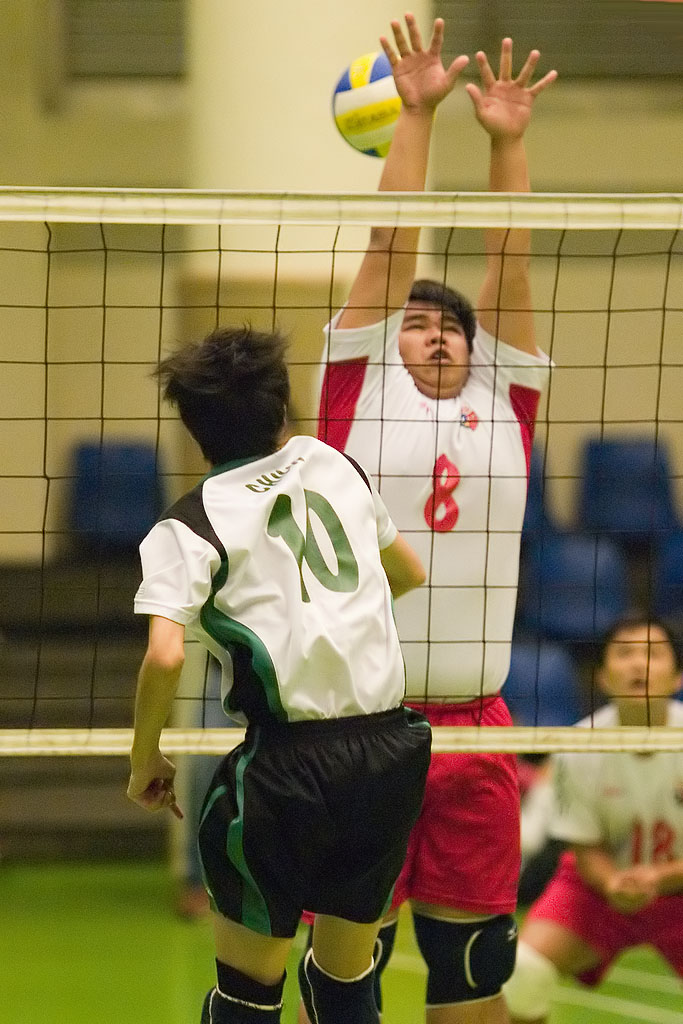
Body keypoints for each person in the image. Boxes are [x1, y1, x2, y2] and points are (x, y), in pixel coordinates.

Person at [314, 12, 557, 1024]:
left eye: (450, 322)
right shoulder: (356, 391)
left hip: (474, 730)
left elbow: (512, 262)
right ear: (386, 340)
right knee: (343, 980)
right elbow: (390, 243)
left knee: (470, 983)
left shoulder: (504, 399)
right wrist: (414, 117)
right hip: (360, 727)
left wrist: (506, 143)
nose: (438, 333)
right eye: (415, 323)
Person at [126, 324, 433, 1024]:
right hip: (389, 752)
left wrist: (146, 759)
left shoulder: (186, 525)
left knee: (248, 995)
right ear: (282, 410)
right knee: (344, 983)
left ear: (195, 430)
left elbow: (165, 655)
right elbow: (407, 573)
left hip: (286, 769)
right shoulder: (333, 464)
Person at [503, 614, 683, 1023]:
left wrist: (658, 878)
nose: (638, 664)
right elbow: (585, 848)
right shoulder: (578, 746)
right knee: (522, 972)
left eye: (653, 654)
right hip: (600, 885)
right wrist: (613, 882)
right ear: (602, 677)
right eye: (625, 653)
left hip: (679, 886)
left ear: (677, 677)